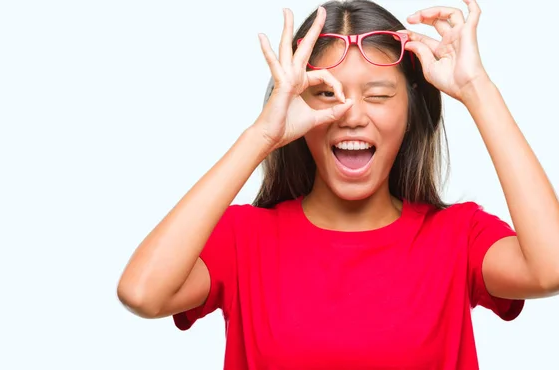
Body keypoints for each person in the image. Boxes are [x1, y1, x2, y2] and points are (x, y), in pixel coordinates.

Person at [117, 0, 559, 368]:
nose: (351, 114)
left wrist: (476, 87)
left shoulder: (456, 237)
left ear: (410, 113)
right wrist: (261, 137)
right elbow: (143, 293)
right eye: (326, 93)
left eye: (379, 95)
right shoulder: (243, 240)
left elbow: (550, 268)